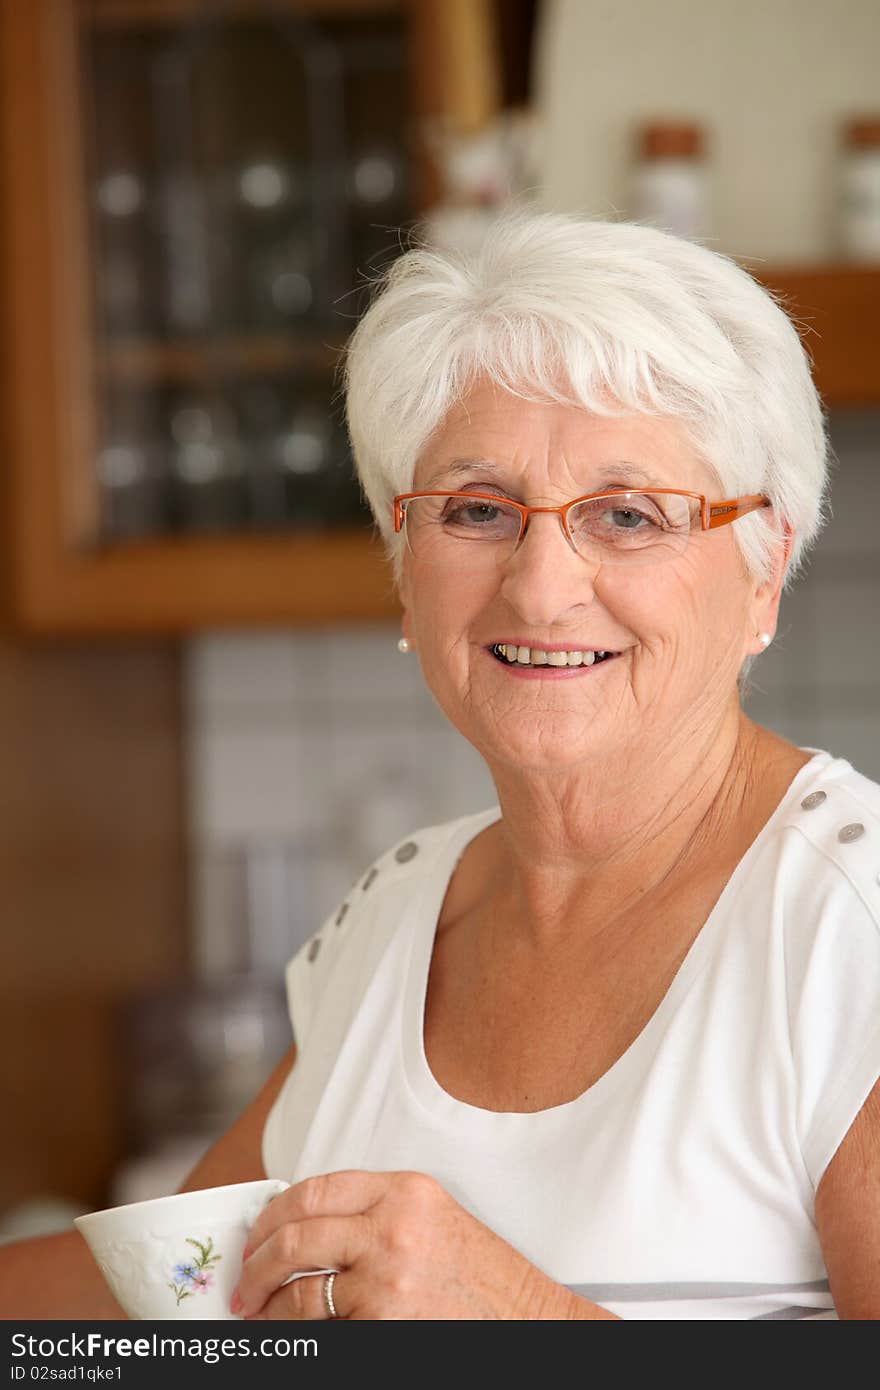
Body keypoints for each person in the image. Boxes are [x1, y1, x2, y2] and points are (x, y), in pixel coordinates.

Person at [3, 210, 878, 1321]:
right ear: (402, 563)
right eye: (476, 509)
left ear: (765, 570)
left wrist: (512, 1316)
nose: (540, 586)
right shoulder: (397, 911)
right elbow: (165, 1293)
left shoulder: (849, 924)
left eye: (625, 514)